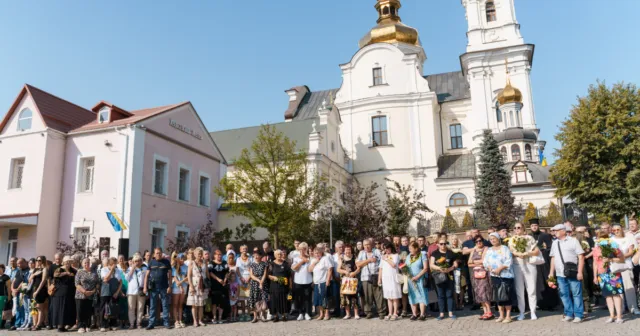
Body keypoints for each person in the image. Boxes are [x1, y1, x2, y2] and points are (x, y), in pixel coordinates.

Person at [548, 223, 585, 323]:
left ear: (563, 231)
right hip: (560, 273)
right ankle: (568, 313)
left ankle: (578, 314)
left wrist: (580, 272)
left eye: (556, 230)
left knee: (576, 294)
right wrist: (551, 273)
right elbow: (553, 258)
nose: (554, 232)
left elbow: (581, 257)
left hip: (573, 272)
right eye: (554, 231)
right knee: (564, 294)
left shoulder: (573, 241)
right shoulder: (555, 243)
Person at [508, 222, 541, 321]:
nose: (517, 229)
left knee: (531, 289)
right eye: (515, 228)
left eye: (519, 227)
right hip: (517, 265)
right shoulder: (511, 239)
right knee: (519, 290)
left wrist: (526, 253)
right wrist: (517, 253)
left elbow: (536, 251)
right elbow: (510, 252)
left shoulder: (529, 238)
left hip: (529, 264)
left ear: (523, 229)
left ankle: (533, 312)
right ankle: (521, 312)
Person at [592, 231, 625, 323]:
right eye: (599, 237)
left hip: (613, 273)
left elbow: (622, 259)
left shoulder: (613, 246)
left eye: (603, 237)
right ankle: (611, 315)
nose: (601, 240)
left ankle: (619, 316)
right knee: (607, 295)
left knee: (616, 294)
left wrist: (610, 259)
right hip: (602, 274)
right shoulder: (596, 249)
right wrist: (595, 276)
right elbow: (595, 263)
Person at [484, 232, 515, 323]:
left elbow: (509, 261)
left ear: (498, 239)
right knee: (498, 296)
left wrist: (500, 268)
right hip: (494, 276)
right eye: (491, 239)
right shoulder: (489, 250)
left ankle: (508, 316)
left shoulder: (504, 248)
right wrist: (489, 267)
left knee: (506, 295)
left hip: (506, 275)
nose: (493, 240)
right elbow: (485, 262)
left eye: (494, 238)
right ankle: (501, 315)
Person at [609, 224, 639, 314]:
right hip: (614, 266)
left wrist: (621, 256)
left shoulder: (627, 238)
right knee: (617, 287)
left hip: (627, 265)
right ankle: (620, 308)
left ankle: (633, 307)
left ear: (621, 229)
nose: (616, 231)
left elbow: (631, 252)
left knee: (629, 286)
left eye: (618, 229)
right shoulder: (610, 240)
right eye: (614, 230)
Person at [356, 238, 386, 319]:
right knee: (367, 295)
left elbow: (382, 262)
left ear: (371, 245)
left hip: (376, 276)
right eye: (365, 245)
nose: (367, 246)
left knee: (379, 295)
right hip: (365, 277)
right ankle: (368, 312)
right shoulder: (361, 253)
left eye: (368, 244)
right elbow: (358, 264)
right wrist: (369, 260)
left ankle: (381, 312)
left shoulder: (376, 251)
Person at [430, 236, 458, 321]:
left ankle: (450, 313)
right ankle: (441, 313)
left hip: (449, 276)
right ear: (438, 244)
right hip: (439, 276)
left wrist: (449, 269)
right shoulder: (435, 253)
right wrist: (439, 268)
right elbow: (431, 264)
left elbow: (455, 264)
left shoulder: (450, 253)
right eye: (441, 244)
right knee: (440, 295)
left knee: (449, 295)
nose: (443, 245)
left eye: (444, 243)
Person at [144, 248, 172, 330]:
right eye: (157, 253)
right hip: (153, 288)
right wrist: (145, 287)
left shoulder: (166, 262)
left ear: (161, 253)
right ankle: (151, 323)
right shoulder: (151, 262)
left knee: (165, 305)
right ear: (154, 254)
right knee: (152, 306)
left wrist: (170, 286)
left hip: (164, 287)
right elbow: (147, 275)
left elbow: (170, 275)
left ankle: (166, 323)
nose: (158, 254)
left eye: (159, 253)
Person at [468, 235, 493, 320]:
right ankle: (485, 312)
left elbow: (484, 261)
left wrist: (474, 262)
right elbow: (469, 263)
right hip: (476, 275)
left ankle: (489, 312)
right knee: (479, 293)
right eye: (476, 241)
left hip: (484, 274)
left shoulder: (486, 248)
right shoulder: (473, 250)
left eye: (480, 241)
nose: (478, 242)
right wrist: (478, 263)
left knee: (484, 292)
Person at [50, 256, 76, 332]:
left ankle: (64, 325)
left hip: (70, 292)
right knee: (60, 309)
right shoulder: (60, 269)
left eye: (69, 261)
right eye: (67, 261)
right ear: (64, 262)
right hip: (60, 292)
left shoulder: (73, 270)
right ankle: (59, 326)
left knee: (67, 309)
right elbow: (55, 275)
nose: (68, 263)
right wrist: (66, 273)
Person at [74, 258, 99, 333]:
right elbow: (77, 284)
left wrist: (93, 291)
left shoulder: (94, 272)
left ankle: (87, 325)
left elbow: (98, 283)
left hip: (91, 294)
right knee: (80, 311)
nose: (86, 264)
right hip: (80, 295)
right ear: (82, 264)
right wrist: (85, 291)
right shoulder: (79, 272)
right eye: (85, 263)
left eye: (88, 262)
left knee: (88, 311)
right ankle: (81, 326)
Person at [378, 242, 401, 321]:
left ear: (391, 248)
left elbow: (393, 265)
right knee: (388, 297)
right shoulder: (383, 257)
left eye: (387, 248)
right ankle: (390, 313)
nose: (386, 250)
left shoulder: (396, 255)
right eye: (385, 248)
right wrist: (379, 279)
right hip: (385, 278)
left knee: (394, 296)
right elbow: (380, 268)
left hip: (393, 277)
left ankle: (395, 313)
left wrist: (387, 259)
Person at [405, 242, 428, 321]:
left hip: (420, 279)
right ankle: (414, 313)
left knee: (422, 295)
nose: (409, 250)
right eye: (409, 248)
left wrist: (417, 276)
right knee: (412, 296)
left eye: (411, 248)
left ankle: (422, 314)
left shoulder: (422, 255)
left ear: (416, 248)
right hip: (411, 279)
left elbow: (425, 268)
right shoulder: (408, 256)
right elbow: (406, 267)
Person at [309, 245, 333, 320]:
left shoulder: (325, 259)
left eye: (318, 253)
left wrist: (328, 280)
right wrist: (314, 263)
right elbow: (309, 270)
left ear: (321, 253)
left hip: (323, 281)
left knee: (325, 298)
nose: (317, 254)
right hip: (316, 282)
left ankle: (327, 314)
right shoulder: (313, 260)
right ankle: (321, 314)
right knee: (318, 299)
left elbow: (330, 269)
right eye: (315, 253)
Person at [267, 249, 291, 322]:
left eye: (281, 254)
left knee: (283, 300)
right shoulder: (271, 264)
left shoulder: (285, 264)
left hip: (284, 286)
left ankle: (284, 315)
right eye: (278, 254)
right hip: (274, 286)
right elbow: (268, 275)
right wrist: (273, 277)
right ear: (275, 255)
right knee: (274, 300)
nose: (280, 256)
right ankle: (276, 316)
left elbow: (289, 275)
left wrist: (290, 285)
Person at [337, 245, 360, 320]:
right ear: (344, 250)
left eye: (349, 249)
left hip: (353, 279)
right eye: (346, 250)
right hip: (344, 280)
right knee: (345, 296)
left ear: (351, 250)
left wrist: (354, 273)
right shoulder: (341, 258)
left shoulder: (355, 257)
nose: (347, 251)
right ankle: (348, 314)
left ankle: (356, 314)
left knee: (354, 296)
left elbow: (358, 268)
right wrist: (344, 271)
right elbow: (338, 269)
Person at [99, 257, 123, 332]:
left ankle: (113, 324)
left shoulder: (117, 270)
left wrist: (117, 292)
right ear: (110, 264)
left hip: (114, 292)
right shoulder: (104, 269)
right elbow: (105, 279)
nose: (115, 265)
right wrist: (111, 270)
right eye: (114, 264)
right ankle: (103, 325)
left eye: (115, 264)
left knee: (113, 308)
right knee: (104, 309)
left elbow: (120, 282)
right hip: (105, 291)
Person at [187, 247, 208, 327]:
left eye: (200, 254)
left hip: (202, 285)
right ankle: (195, 321)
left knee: (201, 304)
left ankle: (200, 320)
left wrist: (207, 285)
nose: (199, 255)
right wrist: (191, 286)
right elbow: (189, 276)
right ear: (195, 254)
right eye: (198, 254)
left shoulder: (204, 262)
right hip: (195, 284)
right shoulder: (191, 263)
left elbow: (206, 274)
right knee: (194, 304)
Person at [291, 242, 312, 321]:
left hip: (308, 281)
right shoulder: (296, 258)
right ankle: (300, 313)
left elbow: (312, 269)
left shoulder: (310, 258)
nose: (302, 251)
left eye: (304, 249)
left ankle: (307, 313)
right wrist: (302, 261)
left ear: (306, 249)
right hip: (298, 281)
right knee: (298, 298)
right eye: (300, 249)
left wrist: (306, 260)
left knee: (307, 298)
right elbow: (294, 268)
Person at [126, 254, 147, 329]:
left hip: (141, 291)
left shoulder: (144, 268)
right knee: (131, 308)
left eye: (139, 261)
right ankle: (132, 323)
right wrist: (132, 269)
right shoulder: (129, 268)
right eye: (135, 261)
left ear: (141, 261)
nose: (137, 262)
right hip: (131, 291)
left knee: (140, 307)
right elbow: (127, 278)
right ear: (133, 262)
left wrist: (145, 289)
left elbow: (146, 279)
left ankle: (138, 323)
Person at [209, 250, 230, 324]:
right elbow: (210, 272)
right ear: (214, 255)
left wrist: (225, 279)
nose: (219, 256)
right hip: (214, 285)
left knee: (222, 302)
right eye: (218, 255)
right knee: (214, 302)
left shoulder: (224, 263)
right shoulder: (211, 263)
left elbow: (227, 272)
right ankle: (214, 317)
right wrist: (218, 279)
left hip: (223, 285)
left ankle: (220, 317)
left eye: (220, 254)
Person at [249, 250, 269, 323]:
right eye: (255, 255)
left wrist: (261, 282)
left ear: (261, 256)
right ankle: (255, 317)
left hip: (263, 283)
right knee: (255, 299)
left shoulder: (264, 264)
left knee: (263, 299)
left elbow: (264, 274)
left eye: (258, 255)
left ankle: (263, 315)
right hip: (254, 283)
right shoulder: (252, 264)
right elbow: (251, 275)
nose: (256, 257)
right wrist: (258, 281)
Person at [30, 256, 50, 330]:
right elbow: (30, 279)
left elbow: (43, 281)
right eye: (37, 260)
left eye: (39, 260)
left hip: (40, 290)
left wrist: (37, 291)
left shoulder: (44, 269)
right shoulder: (35, 269)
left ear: (43, 261)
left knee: (40, 308)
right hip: (33, 289)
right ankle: (34, 324)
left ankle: (38, 324)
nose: (38, 261)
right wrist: (34, 274)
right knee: (33, 308)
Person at [170, 253, 188, 328]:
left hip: (184, 286)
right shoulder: (174, 267)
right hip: (176, 287)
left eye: (183, 258)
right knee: (175, 304)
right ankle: (176, 320)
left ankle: (180, 320)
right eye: (181, 258)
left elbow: (187, 276)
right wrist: (179, 284)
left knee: (181, 305)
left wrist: (181, 282)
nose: (182, 260)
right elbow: (174, 277)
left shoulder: (186, 266)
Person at [235, 245, 252, 321]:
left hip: (249, 278)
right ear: (240, 250)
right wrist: (241, 278)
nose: (245, 250)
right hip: (241, 279)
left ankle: (248, 314)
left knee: (248, 298)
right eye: (243, 249)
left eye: (246, 248)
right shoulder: (238, 259)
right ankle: (243, 314)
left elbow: (252, 269)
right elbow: (237, 270)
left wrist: (249, 277)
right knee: (242, 298)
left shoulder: (250, 258)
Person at [330, 241, 344, 318]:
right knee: (335, 296)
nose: (341, 248)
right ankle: (337, 311)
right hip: (335, 278)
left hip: (345, 279)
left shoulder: (346, 255)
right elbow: (331, 268)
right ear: (336, 248)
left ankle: (345, 311)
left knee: (345, 295)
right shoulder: (333, 257)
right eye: (339, 247)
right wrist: (335, 277)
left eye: (342, 247)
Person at [0, 264, 11, 329]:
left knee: (1, 310)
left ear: (3, 269)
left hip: (2, 296)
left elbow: (8, 288)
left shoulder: (6, 277)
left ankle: (1, 324)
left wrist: (9, 296)